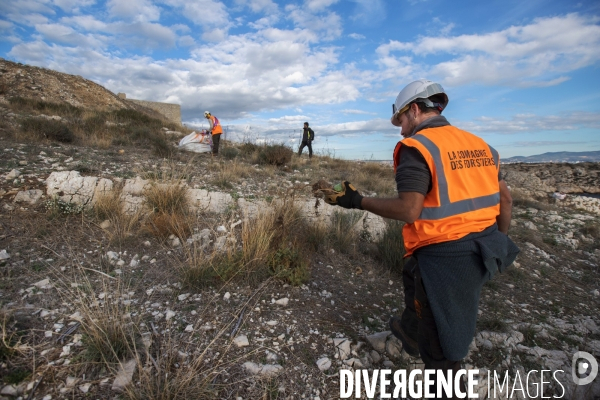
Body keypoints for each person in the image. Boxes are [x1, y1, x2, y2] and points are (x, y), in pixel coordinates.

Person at [324, 79, 519, 398]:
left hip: (444, 259)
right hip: (482, 248)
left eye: (400, 121)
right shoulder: (483, 146)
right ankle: (410, 332)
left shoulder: (417, 148)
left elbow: (409, 210)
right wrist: (496, 242)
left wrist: (356, 201)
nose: (400, 131)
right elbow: (506, 200)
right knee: (411, 275)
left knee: (441, 350)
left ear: (414, 110)